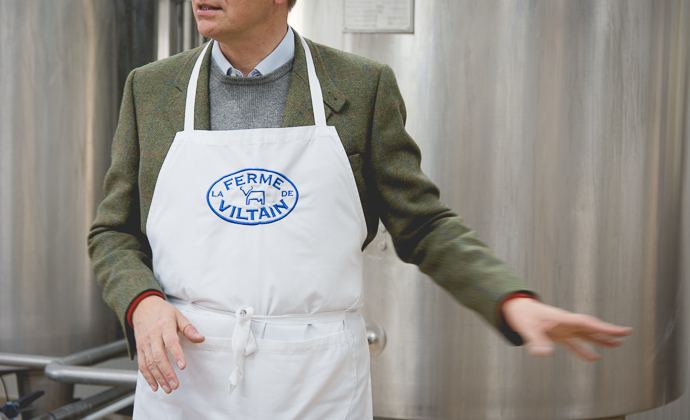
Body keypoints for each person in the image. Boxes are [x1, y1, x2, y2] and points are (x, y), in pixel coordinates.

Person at [88, 0, 633, 418]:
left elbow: (422, 223)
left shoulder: (361, 86)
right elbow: (113, 232)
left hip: (316, 383)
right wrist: (141, 302)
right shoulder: (151, 89)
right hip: (186, 377)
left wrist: (510, 300)